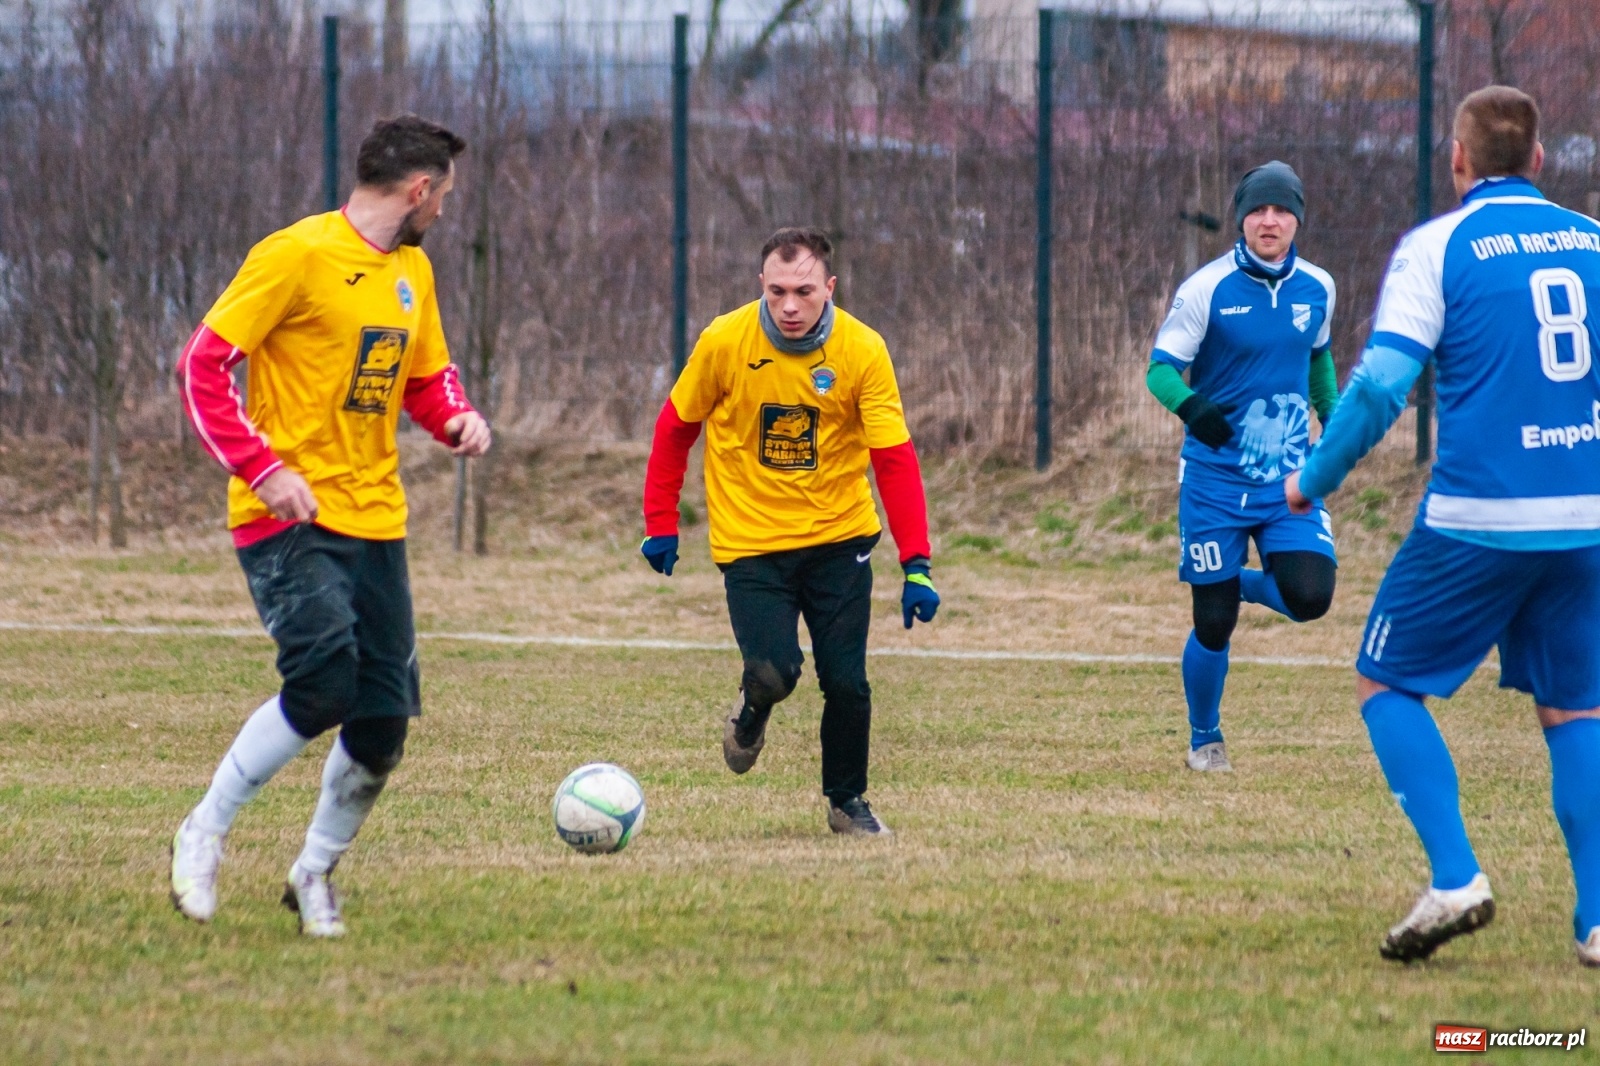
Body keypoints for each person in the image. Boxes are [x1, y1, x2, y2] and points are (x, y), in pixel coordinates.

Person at [1288, 86, 1600, 965]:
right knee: (1577, 711)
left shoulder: (1439, 246)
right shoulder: (1593, 244)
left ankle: (1457, 876)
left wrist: (1314, 479)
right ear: (1541, 160)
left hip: (1479, 516)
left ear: (1457, 161)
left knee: (1385, 684)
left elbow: (1384, 382)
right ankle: (1597, 918)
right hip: (1584, 515)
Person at [168, 115, 490, 937]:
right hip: (286, 514)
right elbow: (202, 367)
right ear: (419, 190)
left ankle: (313, 872)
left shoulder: (412, 271)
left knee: (381, 724)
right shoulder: (296, 255)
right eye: (444, 196)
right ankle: (205, 829)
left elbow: (422, 378)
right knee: (322, 682)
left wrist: (454, 418)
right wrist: (262, 467)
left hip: (376, 518)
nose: (445, 212)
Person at [639, 227, 938, 837]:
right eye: (777, 292)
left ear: (829, 287)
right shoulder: (725, 340)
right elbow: (676, 427)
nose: (791, 306)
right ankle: (752, 712)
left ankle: (846, 802)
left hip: (840, 538)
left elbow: (895, 459)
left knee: (848, 682)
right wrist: (660, 522)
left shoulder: (862, 349)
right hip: (751, 543)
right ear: (761, 287)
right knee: (776, 671)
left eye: (804, 291)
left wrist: (916, 563)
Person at [1148, 161, 1340, 772]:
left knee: (1310, 596)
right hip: (1213, 480)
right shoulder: (1206, 289)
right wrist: (1191, 406)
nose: (1269, 220)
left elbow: (1318, 359)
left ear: (1297, 220)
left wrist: (1333, 424)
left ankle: (1227, 581)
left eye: (1282, 210)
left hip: (1289, 480)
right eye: (1258, 210)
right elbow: (1159, 371)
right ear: (1241, 218)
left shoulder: (1319, 288)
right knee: (1213, 622)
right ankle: (1205, 739)